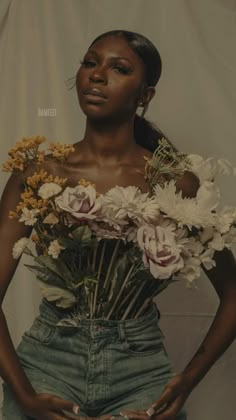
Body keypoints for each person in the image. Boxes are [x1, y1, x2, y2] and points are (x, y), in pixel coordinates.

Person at [1, 29, 236, 420]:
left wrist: (189, 379)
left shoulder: (174, 182)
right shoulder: (40, 174)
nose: (97, 75)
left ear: (145, 96)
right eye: (90, 63)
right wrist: (24, 395)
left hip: (140, 371)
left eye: (119, 68)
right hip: (47, 364)